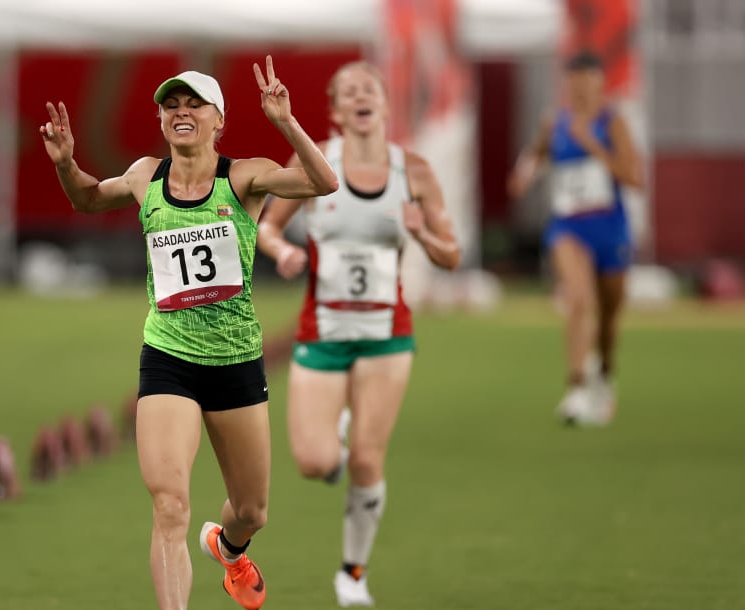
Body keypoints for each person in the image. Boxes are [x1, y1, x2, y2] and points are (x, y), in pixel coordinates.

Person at [40, 56, 338, 610]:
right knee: (170, 504)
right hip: (168, 359)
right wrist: (65, 164)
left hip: (236, 361)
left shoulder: (244, 176)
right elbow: (86, 198)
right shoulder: (142, 176)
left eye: (193, 105)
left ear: (218, 119)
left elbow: (323, 182)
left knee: (251, 511)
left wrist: (285, 122)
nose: (180, 113)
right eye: (170, 106)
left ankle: (229, 549)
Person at [256, 60, 460, 607]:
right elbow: (266, 229)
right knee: (316, 463)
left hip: (386, 334)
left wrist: (423, 237)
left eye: (370, 88)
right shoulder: (314, 165)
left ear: (385, 105)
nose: (361, 97)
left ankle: (353, 574)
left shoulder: (412, 171)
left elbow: (452, 254)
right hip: (321, 332)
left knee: (370, 459)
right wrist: (286, 252)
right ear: (337, 111)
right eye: (349, 92)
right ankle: (338, 442)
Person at [508, 50, 643, 426]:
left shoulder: (613, 123)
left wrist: (595, 147)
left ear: (600, 84)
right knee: (579, 298)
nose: (581, 92)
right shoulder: (556, 123)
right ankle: (577, 387)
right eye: (574, 84)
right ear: (567, 85)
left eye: (588, 83)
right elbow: (536, 153)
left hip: (610, 228)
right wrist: (525, 173)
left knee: (609, 319)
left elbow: (635, 178)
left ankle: (604, 374)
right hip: (569, 227)